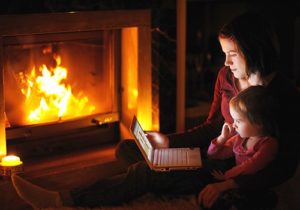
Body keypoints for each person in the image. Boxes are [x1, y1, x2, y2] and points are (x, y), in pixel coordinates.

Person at [11, 12, 300, 209]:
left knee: (144, 171)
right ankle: (173, 179)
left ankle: (62, 201)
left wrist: (229, 184)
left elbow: (285, 166)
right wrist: (169, 142)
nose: (225, 63)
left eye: (232, 54)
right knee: (129, 149)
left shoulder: (284, 95)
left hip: (228, 172)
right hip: (215, 152)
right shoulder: (226, 78)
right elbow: (212, 127)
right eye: (224, 54)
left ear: (254, 50)